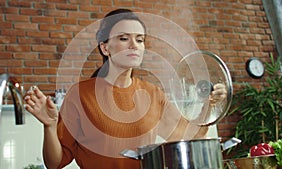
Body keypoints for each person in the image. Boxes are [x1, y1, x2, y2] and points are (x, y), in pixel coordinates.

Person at [24, 8, 227, 169]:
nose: (134, 45)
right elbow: (55, 163)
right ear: (105, 47)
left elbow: (191, 135)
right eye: (124, 38)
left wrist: (210, 105)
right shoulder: (80, 95)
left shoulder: (153, 94)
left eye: (139, 40)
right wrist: (50, 125)